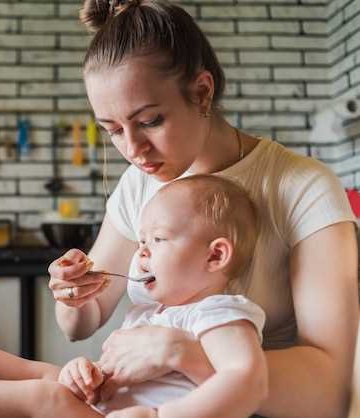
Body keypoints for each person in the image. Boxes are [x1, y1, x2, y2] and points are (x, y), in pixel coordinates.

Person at [46, 1, 358, 418]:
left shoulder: (305, 189)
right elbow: (79, 324)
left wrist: (181, 353)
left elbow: (328, 393)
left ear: (202, 92)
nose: (133, 151)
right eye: (114, 131)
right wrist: (71, 292)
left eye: (151, 121)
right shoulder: (139, 185)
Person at [0, 174, 269, 418]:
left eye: (157, 240)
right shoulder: (149, 314)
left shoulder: (220, 313)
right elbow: (116, 384)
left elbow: (247, 381)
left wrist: (162, 417)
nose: (141, 253)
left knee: (49, 399)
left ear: (215, 255)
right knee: (53, 377)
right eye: (140, 242)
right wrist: (89, 375)